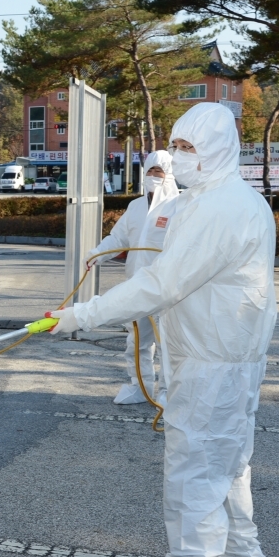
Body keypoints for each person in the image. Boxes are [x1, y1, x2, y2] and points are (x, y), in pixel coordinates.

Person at [48, 104, 276, 557]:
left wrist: (81, 316)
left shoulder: (223, 206)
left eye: (190, 147)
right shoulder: (215, 201)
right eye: (176, 145)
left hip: (212, 368)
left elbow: (162, 284)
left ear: (221, 148)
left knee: (194, 489)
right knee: (227, 476)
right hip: (219, 362)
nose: (177, 157)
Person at [84, 150, 181, 406]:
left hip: (166, 290)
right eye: (149, 172)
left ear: (170, 176)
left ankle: (167, 393)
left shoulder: (180, 207)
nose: (152, 177)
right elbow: (119, 238)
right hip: (137, 287)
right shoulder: (135, 206)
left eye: (158, 172)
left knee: (167, 346)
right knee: (137, 343)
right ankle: (140, 388)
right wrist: (98, 254)